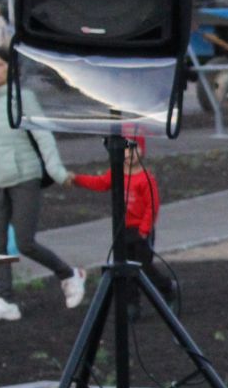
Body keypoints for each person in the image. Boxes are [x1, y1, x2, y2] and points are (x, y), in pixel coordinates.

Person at [0, 53, 85, 322]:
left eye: (0, 65)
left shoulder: (24, 98)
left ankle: (69, 274)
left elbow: (43, 136)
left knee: (25, 242)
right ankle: (5, 300)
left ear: (11, 69)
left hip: (24, 178)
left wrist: (57, 172)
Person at [71, 136, 178, 320]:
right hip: (123, 229)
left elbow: (152, 206)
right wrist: (77, 180)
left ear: (141, 151)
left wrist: (144, 230)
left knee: (144, 267)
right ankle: (132, 305)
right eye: (125, 150)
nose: (128, 155)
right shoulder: (117, 173)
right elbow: (100, 183)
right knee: (125, 267)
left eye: (132, 149)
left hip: (141, 231)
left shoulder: (145, 179)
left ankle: (167, 288)